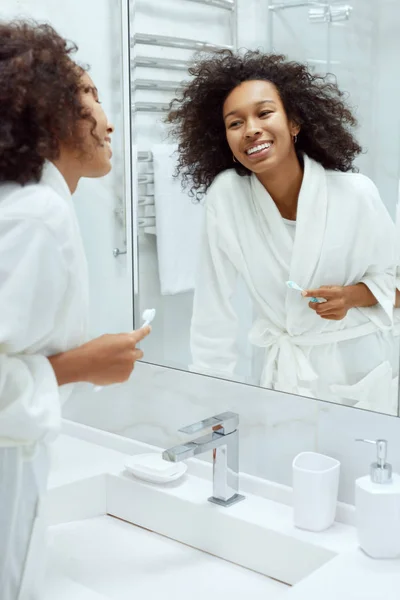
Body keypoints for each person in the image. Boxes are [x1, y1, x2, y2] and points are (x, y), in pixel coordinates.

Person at [0, 21, 149, 600]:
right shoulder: (36, 213)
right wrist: (80, 365)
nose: (108, 120)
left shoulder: (24, 203)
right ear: (49, 112)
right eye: (88, 96)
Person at [168, 50, 397, 410]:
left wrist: (352, 296)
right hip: (282, 375)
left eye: (264, 113)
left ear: (294, 123)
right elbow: (213, 313)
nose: (252, 129)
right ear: (225, 141)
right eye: (235, 123)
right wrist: (211, 402)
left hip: (358, 369)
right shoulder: (227, 198)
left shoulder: (355, 193)